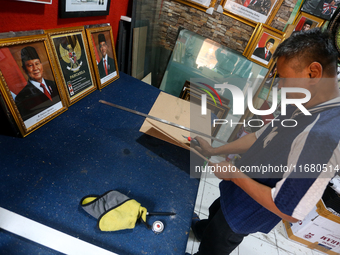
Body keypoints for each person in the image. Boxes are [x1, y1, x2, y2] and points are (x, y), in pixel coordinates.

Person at [189, 28, 340, 255]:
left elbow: (289, 209)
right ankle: (201, 229)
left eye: (284, 78)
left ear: (313, 73)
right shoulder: (302, 103)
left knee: (218, 240)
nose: (280, 86)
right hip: (239, 188)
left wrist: (234, 175)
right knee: (216, 211)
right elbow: (261, 137)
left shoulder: (322, 135)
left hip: (248, 209)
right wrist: (214, 150)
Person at [15, 46, 60, 121]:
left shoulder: (54, 84)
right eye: (30, 65)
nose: (35, 68)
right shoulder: (21, 98)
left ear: (41, 65)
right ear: (24, 69)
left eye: (37, 63)